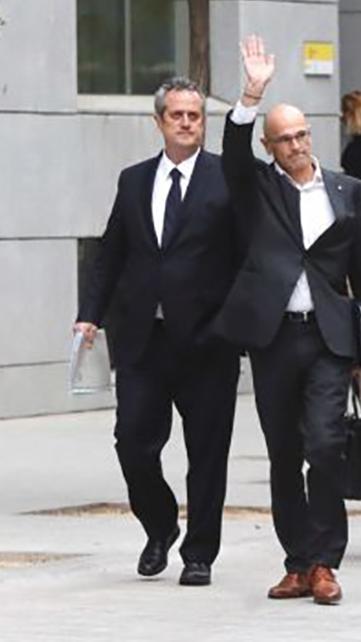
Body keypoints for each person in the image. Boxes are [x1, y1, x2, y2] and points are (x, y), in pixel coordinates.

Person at [215, 36, 361, 606]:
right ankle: (296, 563)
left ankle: (325, 562)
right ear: (271, 146)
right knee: (284, 451)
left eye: (301, 135)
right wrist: (251, 94)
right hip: (273, 339)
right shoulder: (258, 189)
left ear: (312, 135)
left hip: (328, 339)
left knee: (325, 444)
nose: (294, 145)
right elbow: (233, 154)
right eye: (282, 139)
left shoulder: (349, 191)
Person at [75, 76, 242, 588]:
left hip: (208, 342)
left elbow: (246, 257)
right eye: (177, 115)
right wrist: (90, 314)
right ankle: (161, 524)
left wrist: (237, 322)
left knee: (207, 454)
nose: (187, 123)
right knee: (133, 443)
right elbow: (111, 254)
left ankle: (199, 554)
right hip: (143, 340)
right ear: (159, 121)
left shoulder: (227, 180)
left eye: (195, 115)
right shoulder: (133, 181)